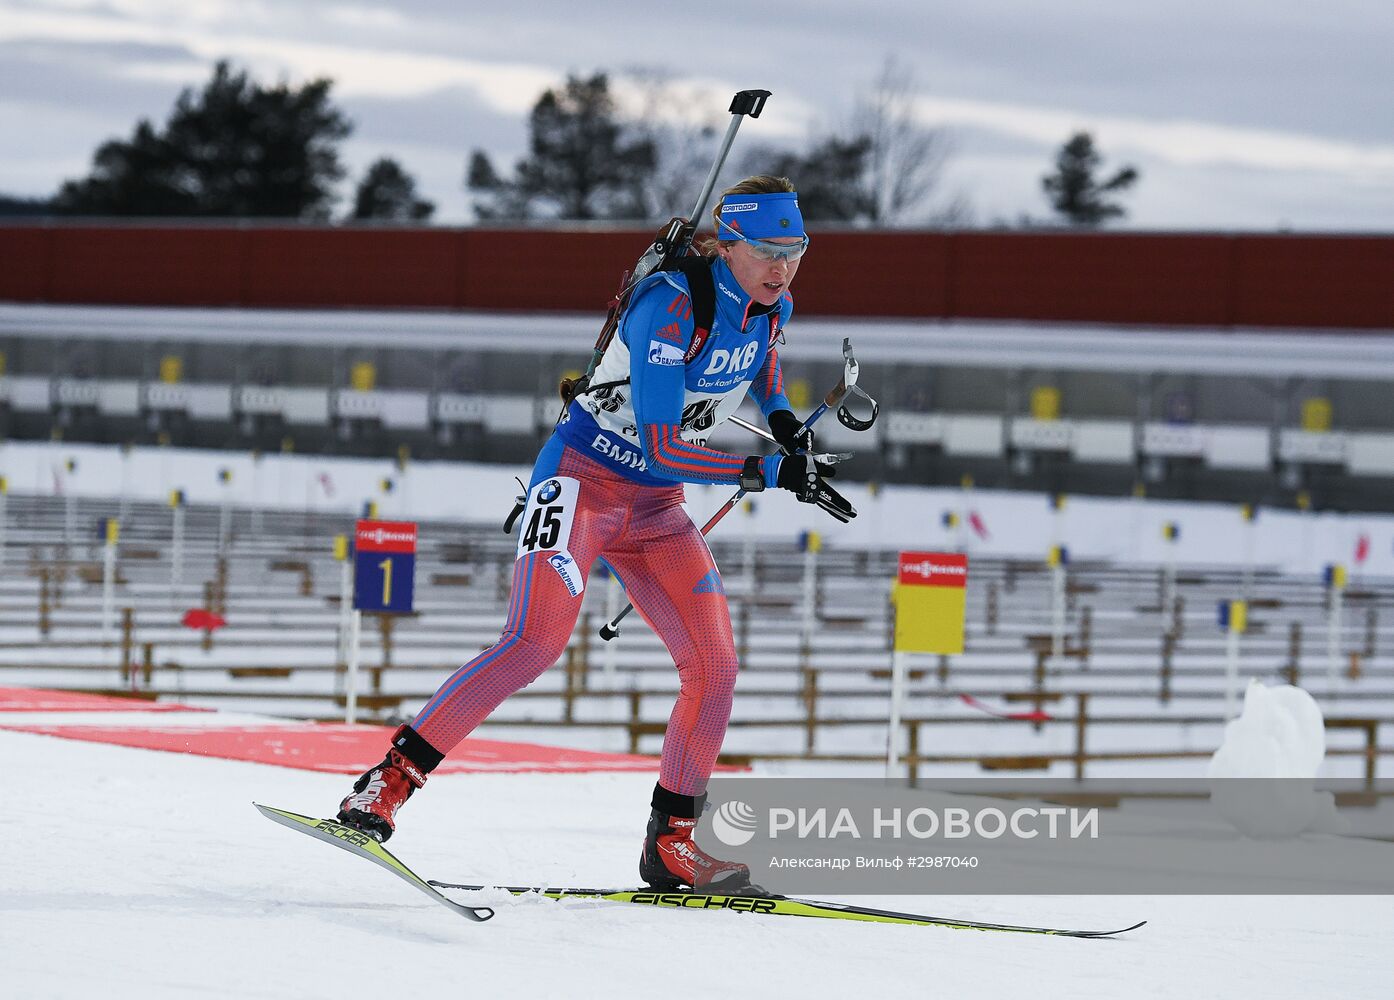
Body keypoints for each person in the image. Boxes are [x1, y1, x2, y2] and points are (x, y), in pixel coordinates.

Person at [336, 175, 854, 893]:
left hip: (654, 508)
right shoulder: (672, 306)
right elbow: (668, 444)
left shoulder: (773, 305)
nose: (784, 265)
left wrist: (790, 430)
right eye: (768, 248)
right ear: (729, 243)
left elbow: (764, 377)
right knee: (535, 643)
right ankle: (385, 784)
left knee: (716, 668)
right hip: (582, 480)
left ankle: (671, 843)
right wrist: (768, 473)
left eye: (796, 249)